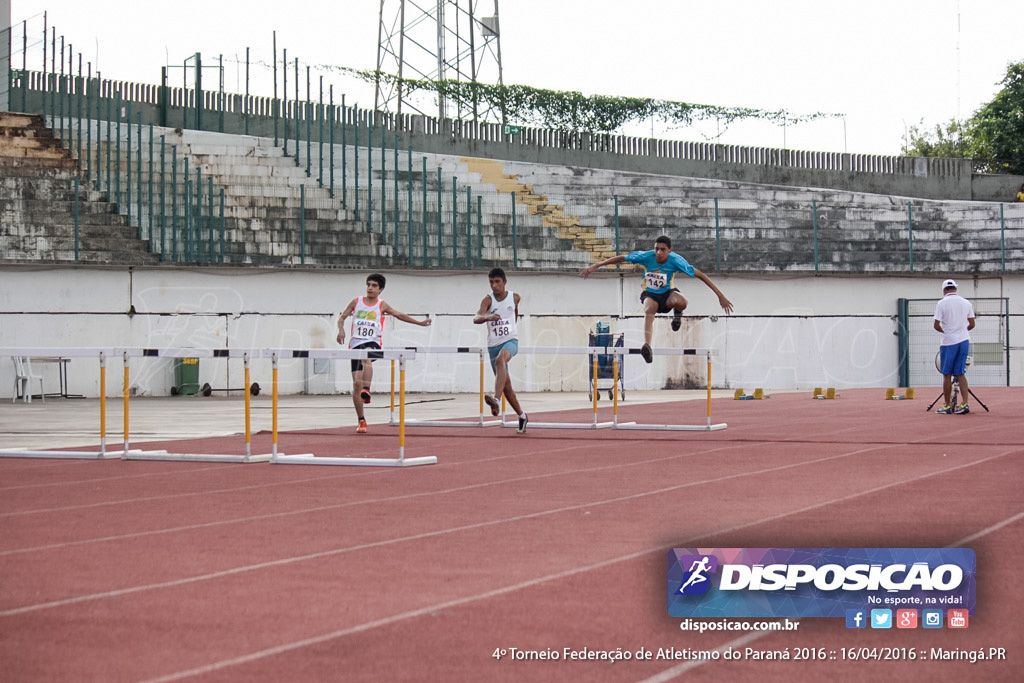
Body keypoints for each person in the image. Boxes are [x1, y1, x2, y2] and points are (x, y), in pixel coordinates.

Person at [579, 235, 733, 363]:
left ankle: (677, 314)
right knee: (648, 309)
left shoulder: (676, 261)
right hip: (650, 294)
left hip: (668, 294)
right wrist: (597, 265)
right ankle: (647, 346)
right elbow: (622, 258)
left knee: (682, 302)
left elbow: (701, 275)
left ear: (669, 250)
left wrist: (721, 296)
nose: (659, 252)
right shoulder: (647, 256)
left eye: (663, 250)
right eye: (657, 249)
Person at [336, 273, 432, 433]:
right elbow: (342, 317)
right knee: (355, 384)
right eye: (368, 285)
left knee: (366, 355)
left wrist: (420, 323)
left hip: (373, 342)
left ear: (380, 289)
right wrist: (341, 330)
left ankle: (367, 389)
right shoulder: (356, 302)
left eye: (374, 286)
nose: (370, 288)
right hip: (355, 343)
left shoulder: (381, 305)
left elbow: (399, 315)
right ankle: (361, 420)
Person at [473, 267, 528, 433]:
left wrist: (512, 329)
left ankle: (496, 400)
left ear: (504, 282)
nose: (494, 285)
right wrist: (489, 317)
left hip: (510, 341)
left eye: (497, 282)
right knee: (507, 386)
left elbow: (515, 313)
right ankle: (523, 416)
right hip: (493, 345)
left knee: (501, 360)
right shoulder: (487, 300)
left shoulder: (515, 297)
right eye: (491, 282)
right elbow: (476, 318)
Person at [933, 278, 975, 415]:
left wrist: (947, 332)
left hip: (948, 342)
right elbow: (972, 324)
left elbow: (936, 325)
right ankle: (965, 403)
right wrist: (962, 331)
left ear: (944, 290)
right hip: (963, 340)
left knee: (946, 374)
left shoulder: (941, 303)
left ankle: (947, 405)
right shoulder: (966, 302)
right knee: (960, 373)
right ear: (955, 288)